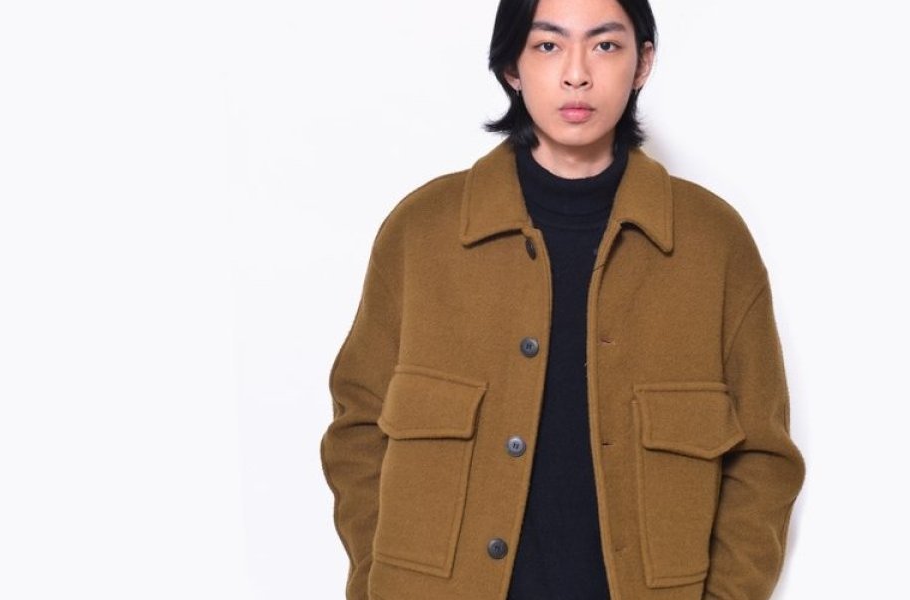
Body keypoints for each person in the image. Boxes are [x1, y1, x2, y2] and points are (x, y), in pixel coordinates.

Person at [319, 0, 807, 599]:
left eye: (605, 45)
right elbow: (357, 429)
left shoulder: (713, 243)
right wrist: (378, 584)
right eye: (548, 45)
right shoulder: (421, 232)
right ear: (512, 66)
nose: (577, 74)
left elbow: (763, 458)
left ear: (642, 62)